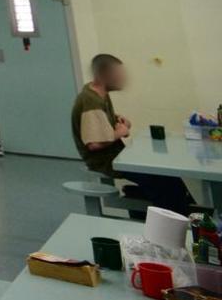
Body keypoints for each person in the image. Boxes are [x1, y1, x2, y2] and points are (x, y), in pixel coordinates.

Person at [71, 53, 195, 215]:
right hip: (106, 161)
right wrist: (119, 132)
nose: (122, 79)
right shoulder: (91, 101)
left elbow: (96, 121)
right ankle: (172, 219)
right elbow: (94, 143)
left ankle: (180, 211)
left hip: (117, 154)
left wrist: (115, 119)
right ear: (103, 75)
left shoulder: (97, 93)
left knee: (169, 176)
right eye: (118, 75)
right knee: (164, 182)